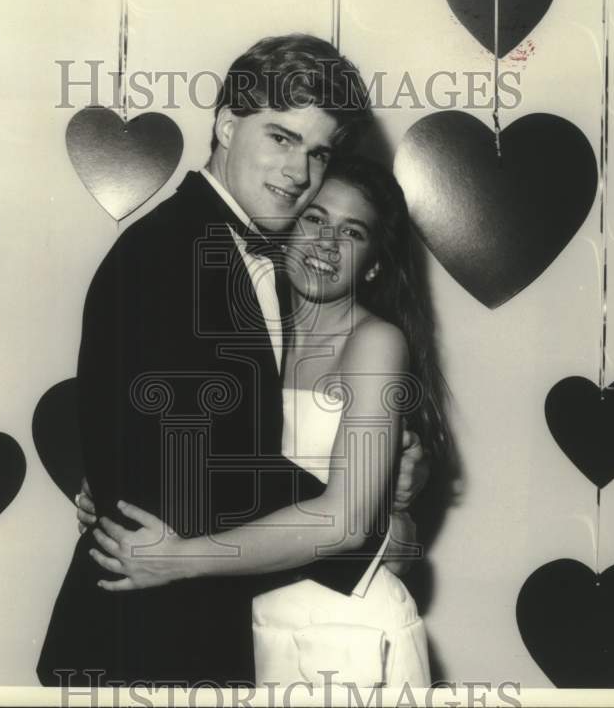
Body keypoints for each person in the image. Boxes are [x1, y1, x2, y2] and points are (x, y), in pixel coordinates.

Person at [36, 34, 433, 688]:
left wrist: (379, 481)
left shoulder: (268, 269)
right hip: (153, 639)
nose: (299, 173)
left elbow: (213, 447)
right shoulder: (172, 254)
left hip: (223, 630)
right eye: (281, 138)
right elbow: (195, 476)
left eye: (317, 152)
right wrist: (370, 522)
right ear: (225, 123)